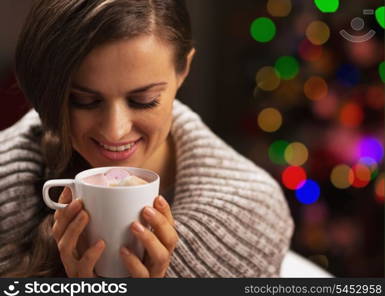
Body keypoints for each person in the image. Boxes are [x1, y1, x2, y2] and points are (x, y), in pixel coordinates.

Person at [0, 0, 294, 278]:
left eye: (144, 100)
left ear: (183, 71)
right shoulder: (7, 176)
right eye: (84, 101)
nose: (115, 131)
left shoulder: (250, 218)